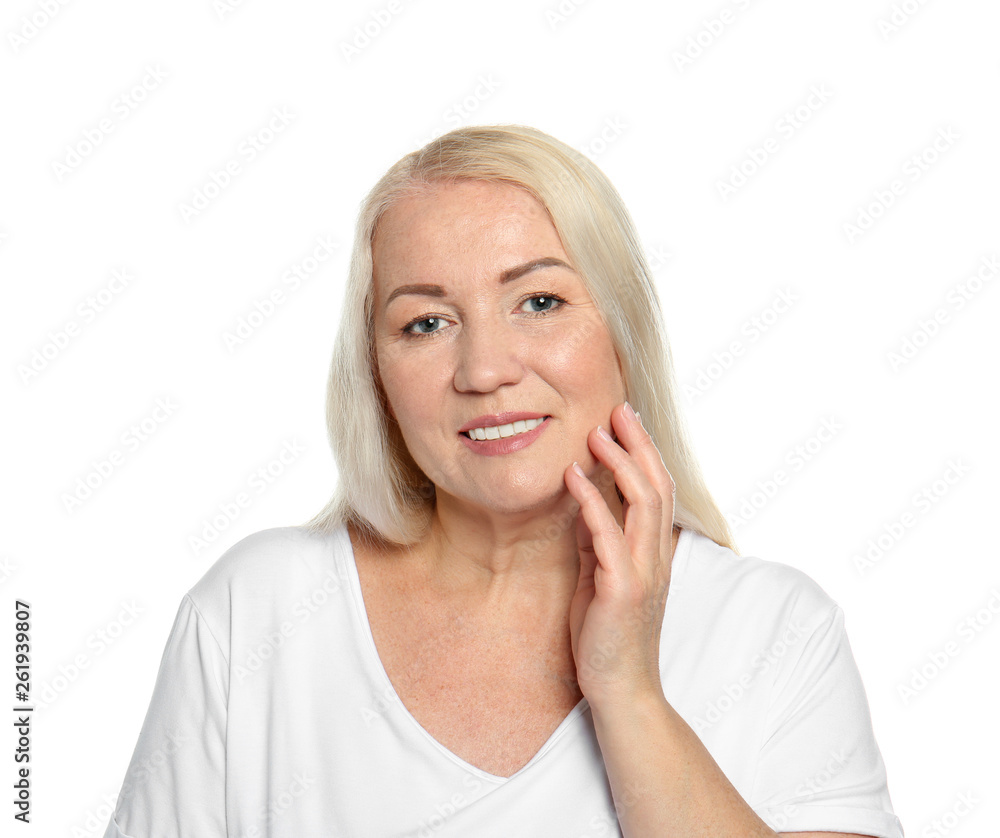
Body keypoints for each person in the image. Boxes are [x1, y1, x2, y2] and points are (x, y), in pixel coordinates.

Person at [103, 125, 904, 837]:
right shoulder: (255, 612)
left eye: (540, 301)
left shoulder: (775, 632)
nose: (484, 370)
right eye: (426, 322)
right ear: (377, 373)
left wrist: (628, 694)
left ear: (622, 335)